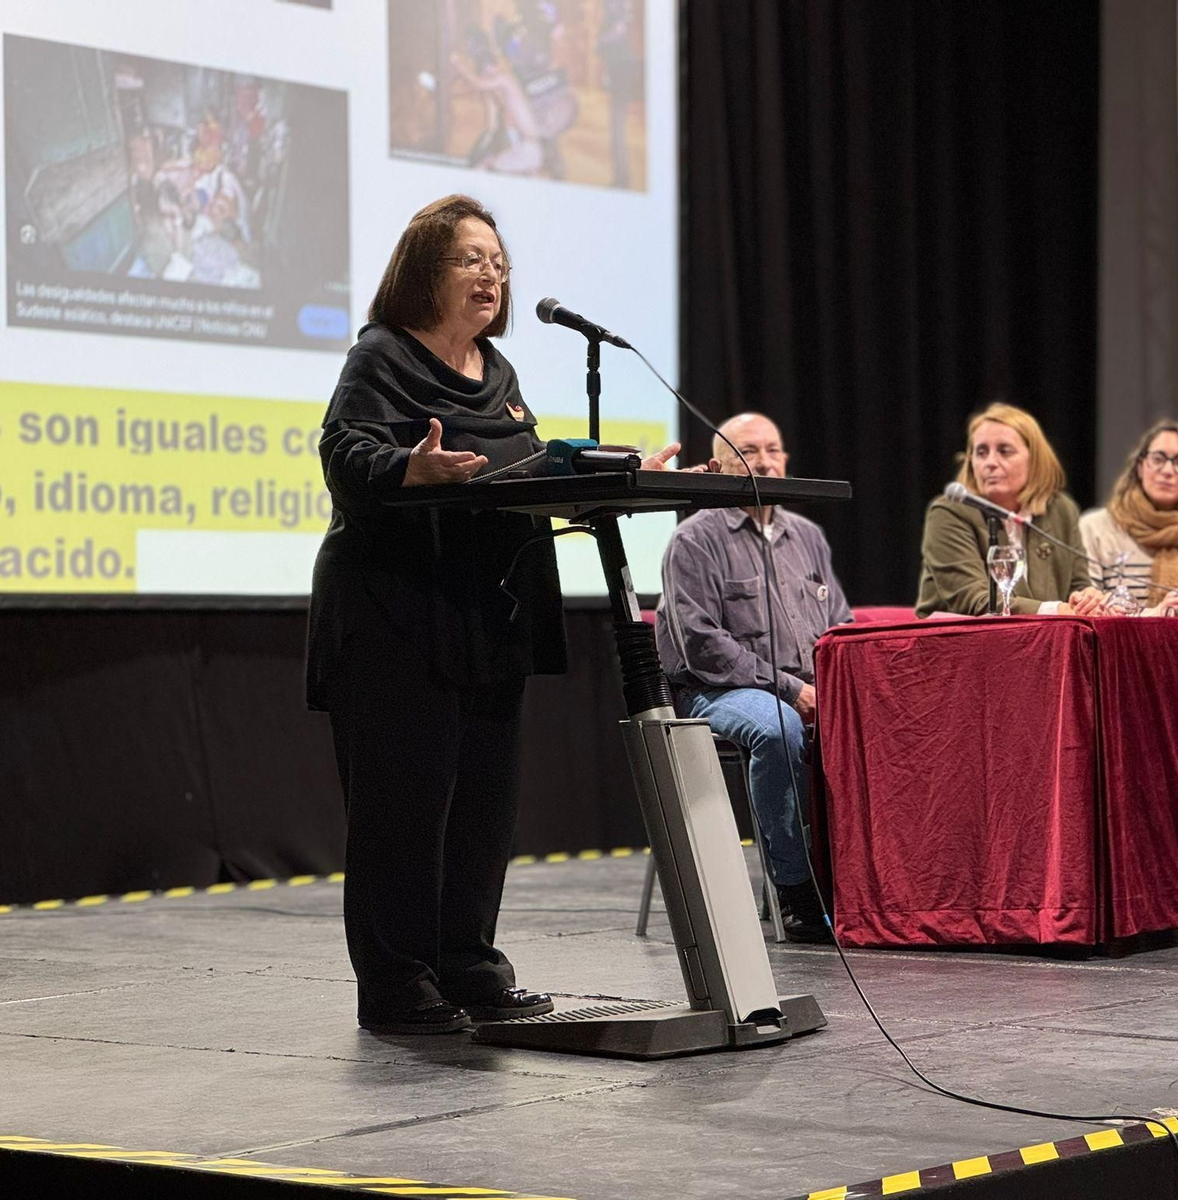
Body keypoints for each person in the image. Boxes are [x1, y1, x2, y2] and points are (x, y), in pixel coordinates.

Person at [306, 194, 686, 1034]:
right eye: (471, 259)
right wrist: (411, 465)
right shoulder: (382, 357)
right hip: (395, 617)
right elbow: (343, 455)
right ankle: (398, 981)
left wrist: (614, 475)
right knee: (402, 810)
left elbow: (528, 471)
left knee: (482, 805)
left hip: (486, 614)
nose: (491, 274)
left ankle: (468, 965)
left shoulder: (498, 373)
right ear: (423, 271)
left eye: (499, 262)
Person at [654, 413, 852, 943]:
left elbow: (842, 625)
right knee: (779, 728)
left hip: (808, 685)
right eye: (748, 451)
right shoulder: (694, 539)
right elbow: (702, 644)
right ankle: (794, 888)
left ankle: (862, 883)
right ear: (718, 465)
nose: (764, 461)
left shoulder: (807, 536)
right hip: (717, 691)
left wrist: (845, 687)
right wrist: (792, 690)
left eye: (773, 449)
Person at [915, 402, 1106, 618]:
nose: (990, 463)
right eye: (981, 452)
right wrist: (1058, 609)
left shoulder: (1061, 509)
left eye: (1004, 451)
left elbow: (1078, 584)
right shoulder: (948, 512)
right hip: (958, 644)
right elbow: (975, 598)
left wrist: (1087, 600)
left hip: (1043, 639)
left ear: (1035, 460)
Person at [1079, 419, 1178, 610]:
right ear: (1139, 467)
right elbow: (1087, 610)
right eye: (1158, 459)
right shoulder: (1096, 528)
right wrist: (1155, 615)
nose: (1168, 471)